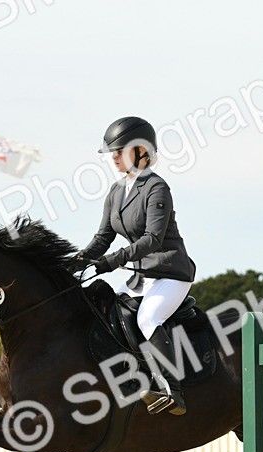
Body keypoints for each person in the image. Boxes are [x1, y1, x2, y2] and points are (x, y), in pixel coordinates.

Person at [75, 116, 195, 416]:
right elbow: (103, 237)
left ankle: (171, 388)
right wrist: (75, 263)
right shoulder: (117, 192)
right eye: (112, 152)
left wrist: (113, 261)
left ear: (141, 150)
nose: (114, 157)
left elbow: (153, 239)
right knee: (109, 312)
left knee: (148, 318)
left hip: (169, 273)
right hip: (140, 276)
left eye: (120, 150)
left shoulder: (157, 188)